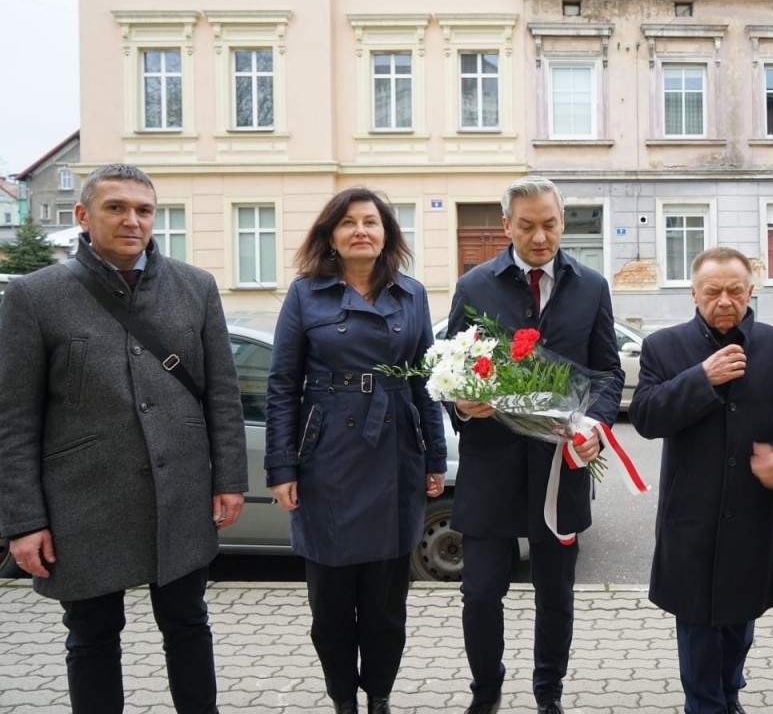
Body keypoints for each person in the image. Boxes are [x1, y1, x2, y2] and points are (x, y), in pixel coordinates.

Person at [0, 163, 248, 714]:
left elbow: (222, 397)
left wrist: (229, 479)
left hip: (180, 494)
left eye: (143, 210)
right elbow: (14, 419)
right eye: (116, 208)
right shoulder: (34, 297)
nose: (131, 220)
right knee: (91, 637)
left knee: (188, 625)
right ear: (84, 216)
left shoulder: (195, 288)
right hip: (84, 501)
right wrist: (23, 520)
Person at [265, 188, 447, 714]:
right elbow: (282, 385)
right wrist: (282, 467)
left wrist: (434, 458)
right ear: (331, 236)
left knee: (388, 606)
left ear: (387, 232)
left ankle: (380, 696)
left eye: (371, 221)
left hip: (394, 455)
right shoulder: (306, 295)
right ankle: (344, 698)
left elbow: (423, 382)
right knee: (330, 607)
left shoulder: (412, 295)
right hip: (328, 461)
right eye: (348, 223)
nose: (360, 230)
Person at [446, 176, 623, 714]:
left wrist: (594, 424)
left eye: (549, 224)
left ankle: (549, 694)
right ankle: (487, 691)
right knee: (478, 595)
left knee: (556, 598)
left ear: (562, 222)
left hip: (559, 471)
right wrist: (460, 403)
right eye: (527, 226)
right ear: (507, 226)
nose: (540, 236)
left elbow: (608, 373)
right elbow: (450, 371)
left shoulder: (590, 286)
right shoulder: (474, 285)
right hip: (489, 472)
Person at [628, 246, 773, 714]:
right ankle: (707, 703)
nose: (725, 300)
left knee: (738, 626)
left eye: (735, 290)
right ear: (694, 293)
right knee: (696, 629)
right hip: (689, 518)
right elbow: (646, 417)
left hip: (750, 517)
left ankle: (729, 690)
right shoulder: (664, 347)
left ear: (752, 291)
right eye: (713, 292)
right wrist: (701, 378)